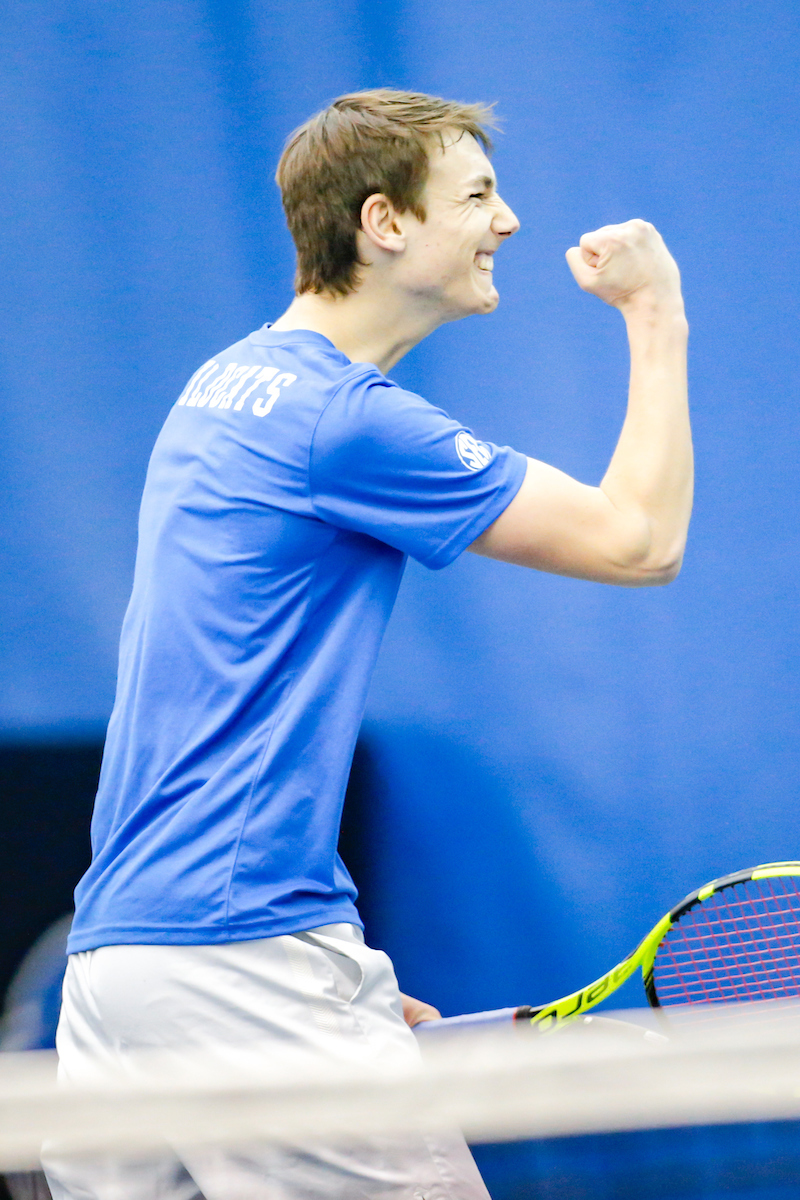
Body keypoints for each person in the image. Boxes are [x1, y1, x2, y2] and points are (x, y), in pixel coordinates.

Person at [43, 89, 691, 1199]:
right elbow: (637, 543)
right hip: (239, 955)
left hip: (120, 964)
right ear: (384, 224)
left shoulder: (221, 386)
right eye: (478, 196)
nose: (510, 222)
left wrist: (287, 987)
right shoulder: (344, 421)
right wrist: (655, 313)